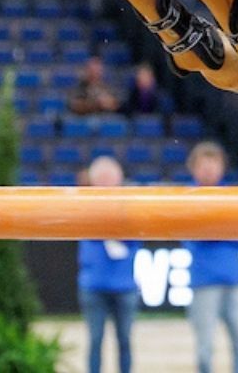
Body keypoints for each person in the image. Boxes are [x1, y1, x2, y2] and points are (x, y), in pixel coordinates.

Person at [182, 142, 238, 373]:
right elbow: (191, 236)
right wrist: (223, 230)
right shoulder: (185, 198)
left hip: (232, 280)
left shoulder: (232, 196)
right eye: (204, 165)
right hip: (204, 282)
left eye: (214, 164)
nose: (209, 170)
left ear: (222, 167)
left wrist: (210, 229)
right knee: (205, 346)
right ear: (193, 168)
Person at [79, 156, 139, 373]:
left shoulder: (131, 205)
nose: (106, 181)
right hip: (94, 285)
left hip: (125, 285)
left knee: (125, 339)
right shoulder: (83, 205)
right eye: (101, 177)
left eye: (109, 176)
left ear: (119, 177)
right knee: (95, 340)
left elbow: (136, 237)